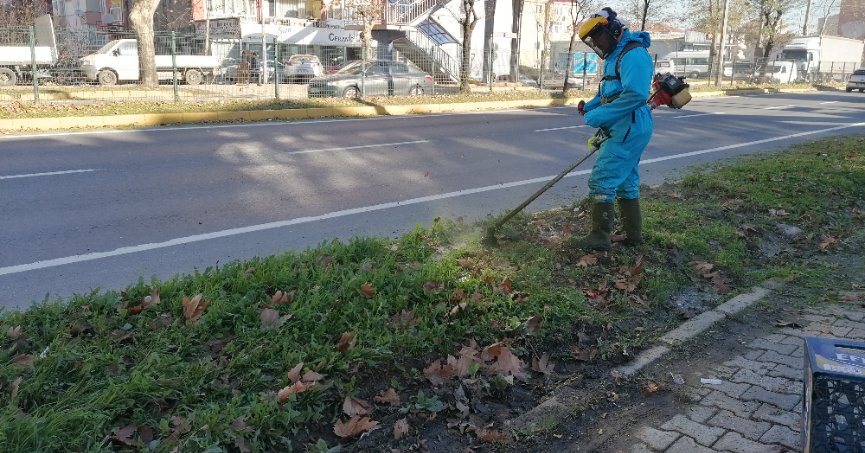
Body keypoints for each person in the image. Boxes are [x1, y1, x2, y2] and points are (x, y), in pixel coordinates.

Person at [571, 7, 654, 251]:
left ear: (613, 29)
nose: (596, 43)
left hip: (630, 124)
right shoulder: (616, 55)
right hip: (624, 124)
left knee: (603, 180)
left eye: (598, 37)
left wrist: (599, 115)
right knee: (626, 180)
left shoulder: (633, 54)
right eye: (592, 40)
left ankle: (599, 239)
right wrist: (590, 106)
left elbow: (636, 95)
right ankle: (633, 236)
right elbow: (608, 91)